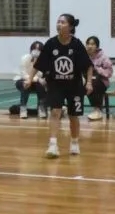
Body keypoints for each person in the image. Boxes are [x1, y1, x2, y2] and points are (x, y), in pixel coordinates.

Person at [35, 14, 93, 158]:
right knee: (55, 112)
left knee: (74, 116)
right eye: (58, 22)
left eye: (62, 22)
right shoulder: (51, 44)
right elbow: (38, 64)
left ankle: (74, 142)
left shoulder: (77, 44)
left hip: (74, 85)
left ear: (70, 27)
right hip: (56, 84)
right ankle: (53, 145)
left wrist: (89, 82)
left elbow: (88, 66)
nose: (59, 24)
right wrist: (29, 79)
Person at [11, 41, 46, 120]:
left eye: (39, 49)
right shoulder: (24, 58)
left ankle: (41, 107)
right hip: (21, 80)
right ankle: (23, 108)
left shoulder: (44, 61)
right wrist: (33, 79)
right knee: (26, 84)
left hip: (37, 83)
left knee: (40, 85)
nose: (36, 51)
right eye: (34, 49)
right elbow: (23, 74)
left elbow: (40, 74)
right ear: (31, 50)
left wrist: (36, 62)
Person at [85, 36, 113, 122]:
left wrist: (97, 69)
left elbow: (109, 72)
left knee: (94, 83)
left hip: (101, 82)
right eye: (88, 44)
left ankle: (97, 109)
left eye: (92, 44)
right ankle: (65, 107)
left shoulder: (103, 57)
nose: (90, 46)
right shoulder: (83, 56)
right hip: (87, 81)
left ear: (97, 46)